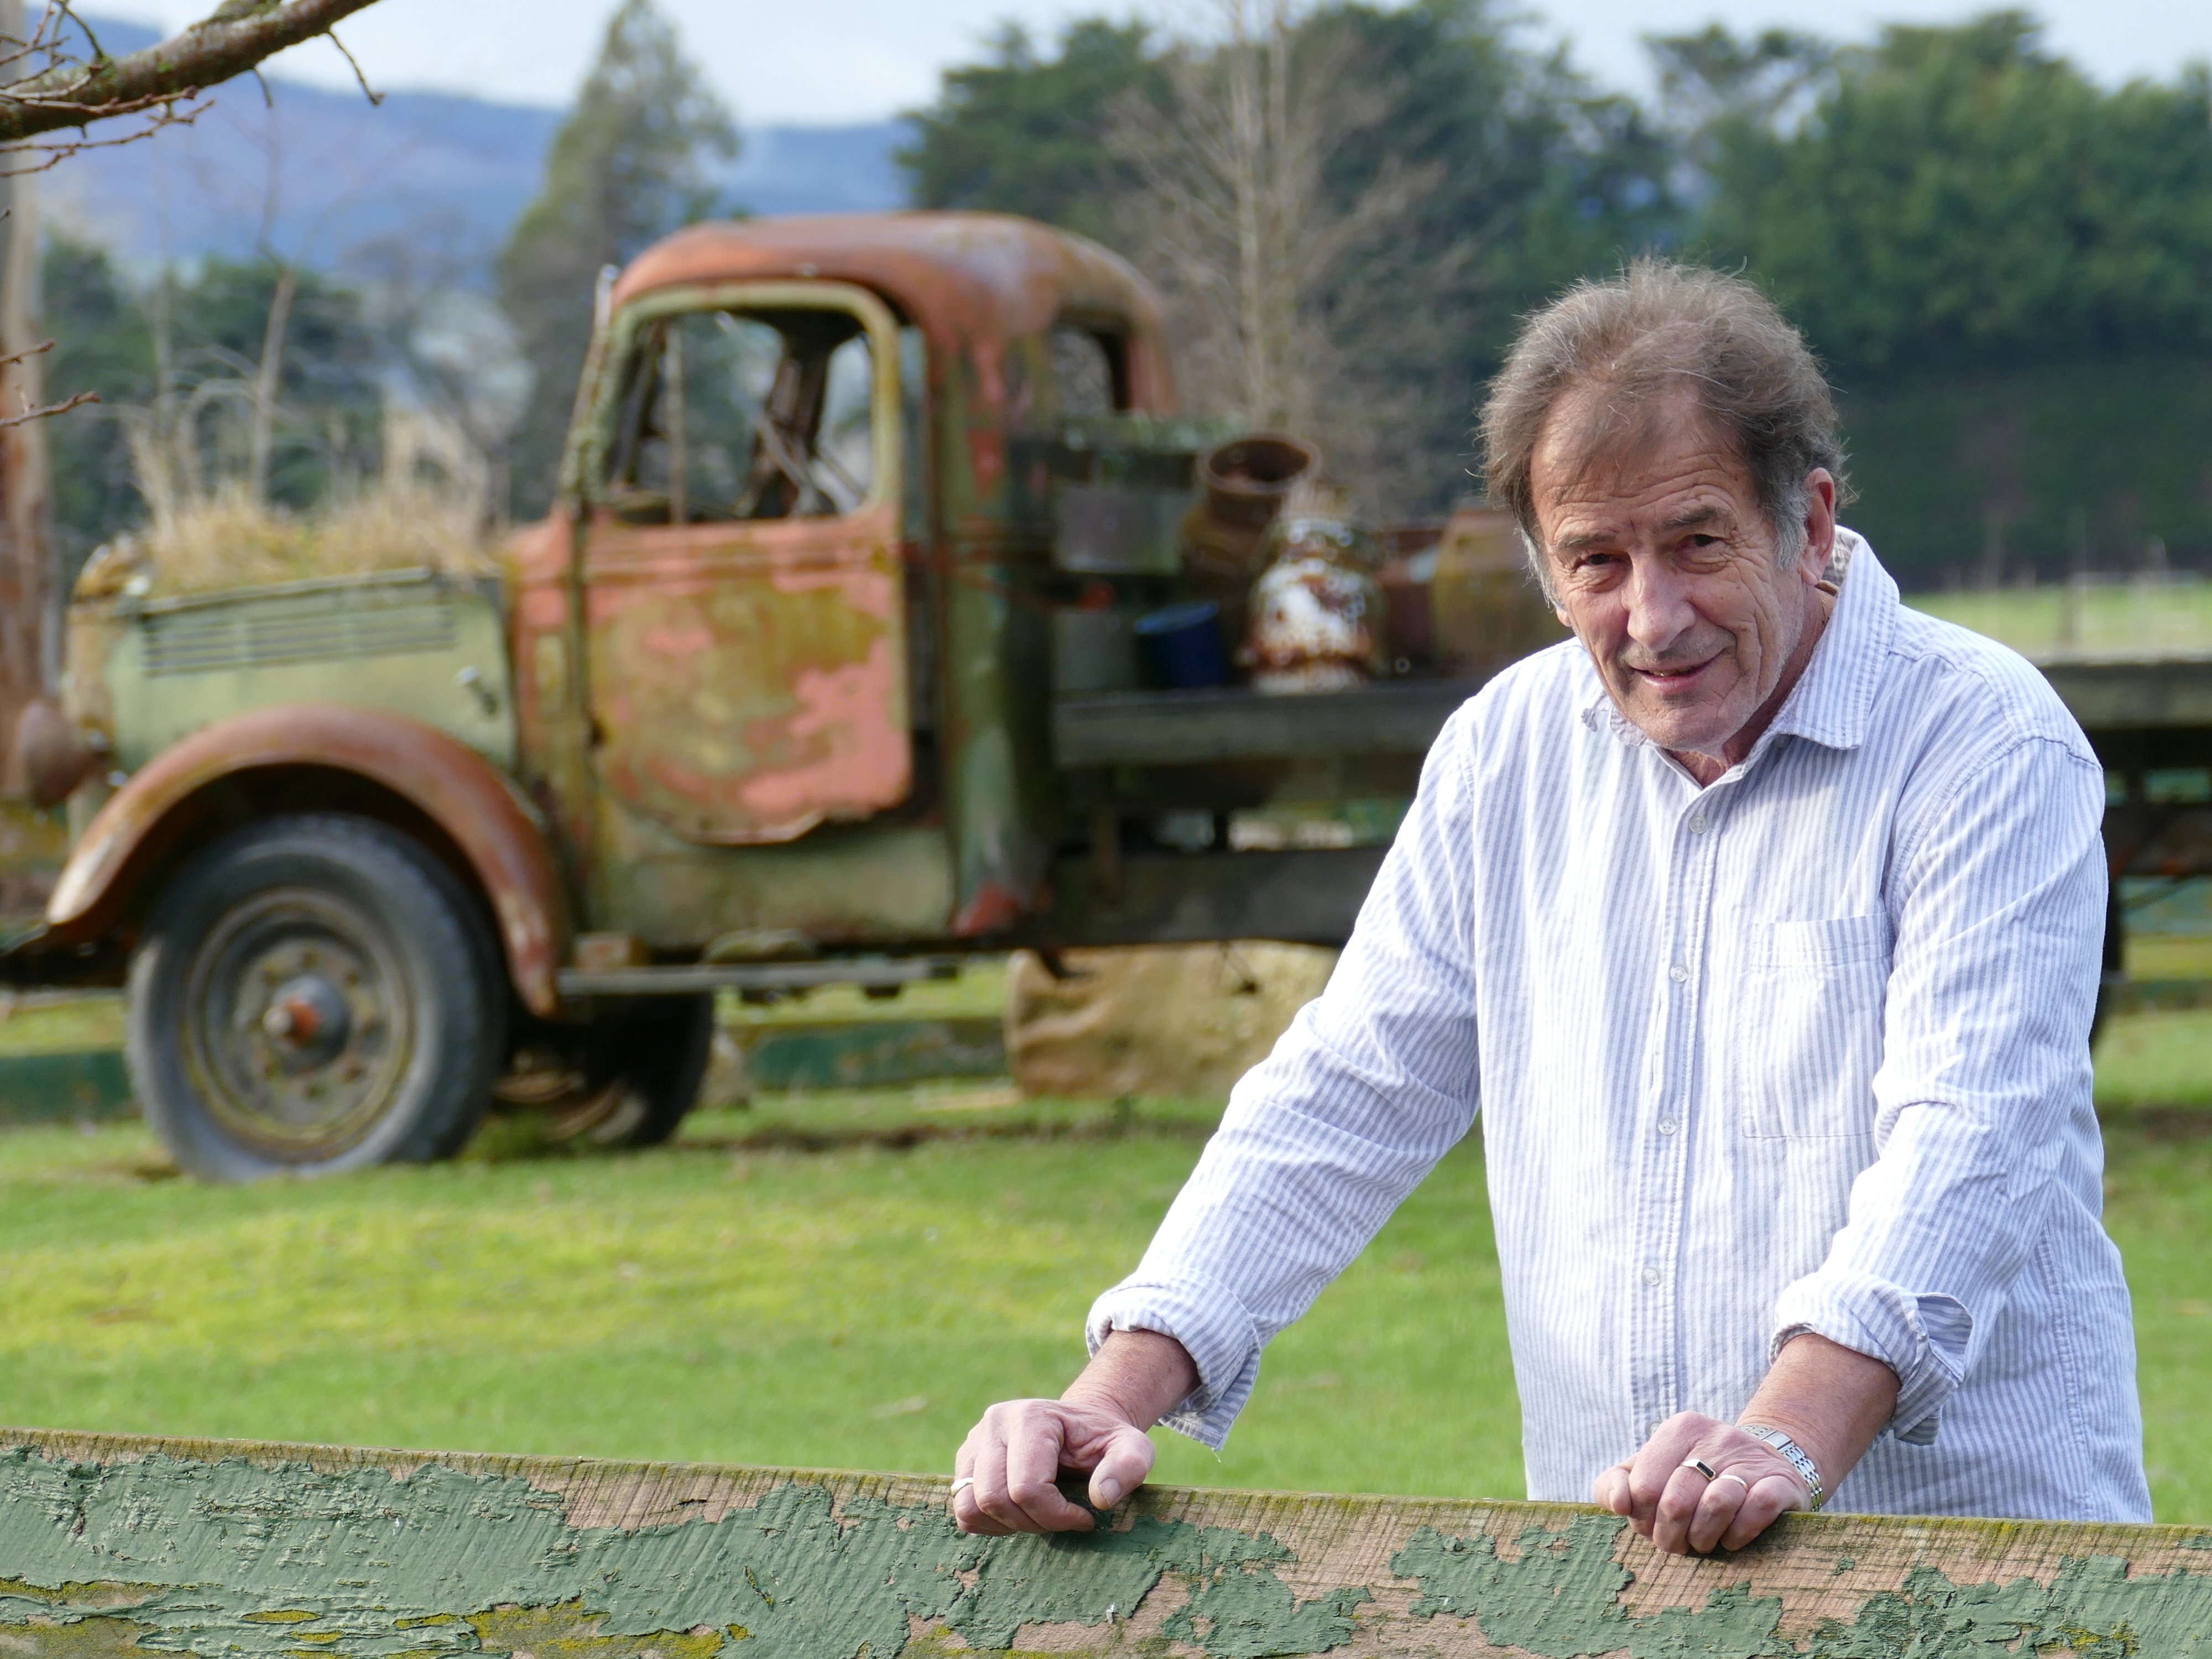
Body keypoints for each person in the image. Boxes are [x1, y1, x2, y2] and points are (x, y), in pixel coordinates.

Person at [952, 261, 2150, 1554]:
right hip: (1617, 1570)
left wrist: (1781, 1438)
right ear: (1538, 563)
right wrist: (1110, 1393)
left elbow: (1969, 1135)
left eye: (1696, 541)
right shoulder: (1503, 753)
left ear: (1806, 523)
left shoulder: (1981, 743)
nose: (1652, 616)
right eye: (1595, 561)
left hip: (1971, 1568)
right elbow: (1346, 1089)